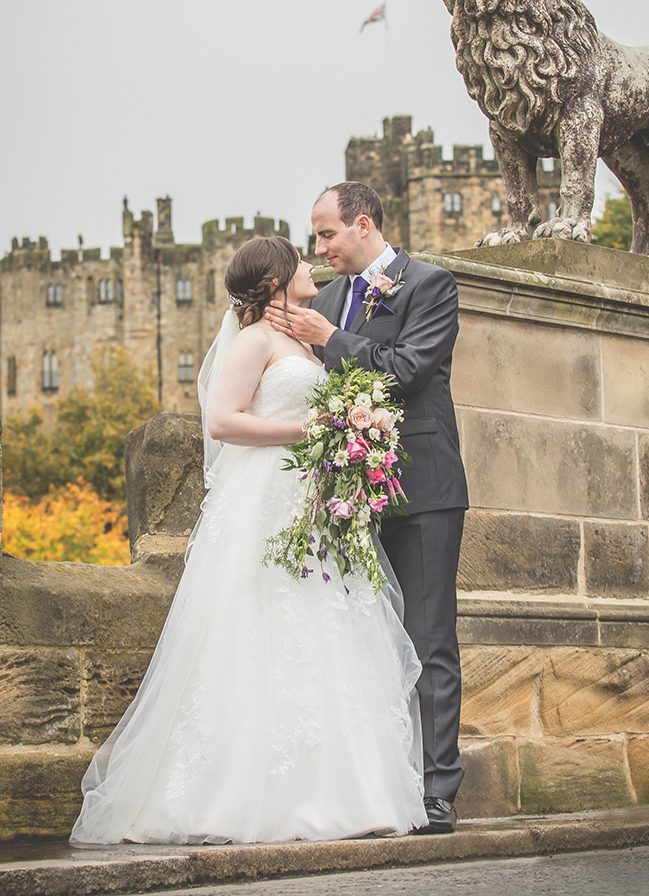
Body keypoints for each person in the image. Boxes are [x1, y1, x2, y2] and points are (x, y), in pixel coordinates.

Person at [70, 235, 428, 845]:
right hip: (267, 499)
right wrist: (309, 430)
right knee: (261, 630)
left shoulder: (304, 342)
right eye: (299, 259)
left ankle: (345, 792)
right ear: (276, 279)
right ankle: (242, 798)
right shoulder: (256, 339)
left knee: (327, 630)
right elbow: (222, 421)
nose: (313, 264)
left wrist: (345, 435)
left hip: (312, 505)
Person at [265, 183, 469, 834]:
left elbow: (406, 369)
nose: (317, 248)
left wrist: (330, 339)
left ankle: (437, 791)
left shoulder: (428, 284)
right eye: (314, 236)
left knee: (428, 639)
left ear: (361, 225)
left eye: (326, 234)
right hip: (343, 491)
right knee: (359, 640)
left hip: (422, 485)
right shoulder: (320, 299)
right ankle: (378, 786)